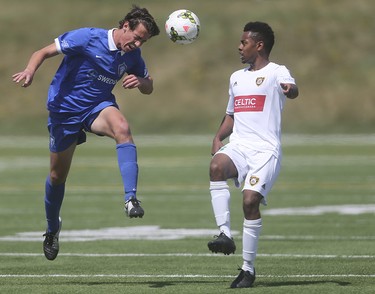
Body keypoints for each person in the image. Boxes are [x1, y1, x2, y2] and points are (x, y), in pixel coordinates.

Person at [12, 5, 160, 261]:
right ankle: (52, 228)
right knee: (57, 176)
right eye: (136, 37)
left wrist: (142, 82)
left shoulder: (133, 56)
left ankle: (130, 199)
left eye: (143, 41)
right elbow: (43, 51)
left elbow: (149, 86)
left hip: (97, 107)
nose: (137, 44)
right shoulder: (88, 37)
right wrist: (29, 70)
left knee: (123, 129)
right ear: (125, 25)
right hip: (64, 111)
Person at [207, 21, 299, 288]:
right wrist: (217, 137)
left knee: (249, 202)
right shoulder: (236, 77)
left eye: (243, 42)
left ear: (259, 45)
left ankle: (247, 270)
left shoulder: (276, 71)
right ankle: (224, 233)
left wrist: (290, 90)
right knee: (216, 167)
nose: (239, 46)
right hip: (240, 146)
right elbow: (231, 115)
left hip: (265, 151)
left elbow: (292, 88)